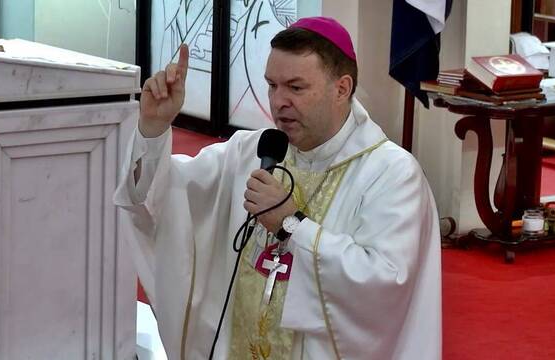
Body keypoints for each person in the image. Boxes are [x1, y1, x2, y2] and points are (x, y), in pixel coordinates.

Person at [114, 16, 441, 360]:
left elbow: (383, 286)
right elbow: (160, 198)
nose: (278, 101)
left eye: (295, 87)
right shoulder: (250, 151)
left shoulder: (391, 174)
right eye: (272, 85)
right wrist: (153, 128)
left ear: (342, 89)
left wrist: (292, 225)